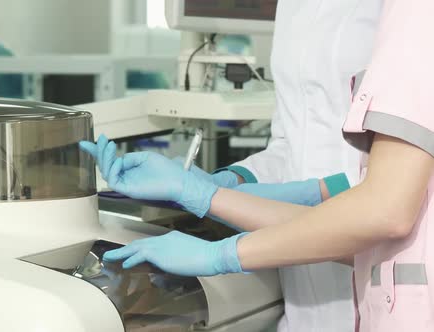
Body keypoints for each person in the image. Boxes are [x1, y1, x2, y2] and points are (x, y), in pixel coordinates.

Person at [81, 1, 434, 330]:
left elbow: (385, 202)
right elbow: (289, 141)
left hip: (374, 260)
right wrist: (228, 183)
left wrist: (218, 240)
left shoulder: (406, 13)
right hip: (305, 264)